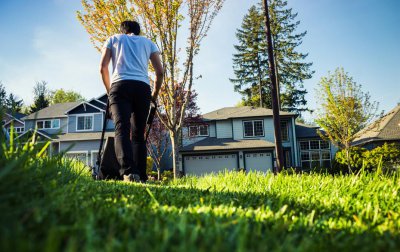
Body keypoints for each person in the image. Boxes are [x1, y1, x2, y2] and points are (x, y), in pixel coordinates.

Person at [99, 20, 163, 183]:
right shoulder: (148, 43)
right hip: (142, 88)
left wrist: (109, 91)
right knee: (138, 133)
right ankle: (141, 174)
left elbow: (103, 68)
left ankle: (128, 172)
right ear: (138, 31)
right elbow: (160, 72)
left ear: (122, 31)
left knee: (122, 128)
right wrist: (154, 96)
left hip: (120, 86)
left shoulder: (114, 39)